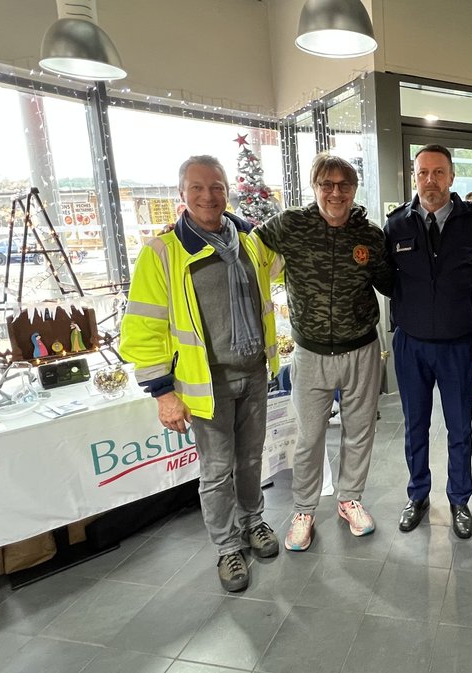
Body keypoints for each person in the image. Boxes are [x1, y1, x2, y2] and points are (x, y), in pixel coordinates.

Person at [121, 155, 283, 592]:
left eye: (216, 187)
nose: (208, 196)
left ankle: (253, 522)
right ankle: (227, 547)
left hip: (254, 373)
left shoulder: (249, 241)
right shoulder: (162, 252)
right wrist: (162, 392)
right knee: (216, 470)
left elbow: (286, 267)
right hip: (207, 383)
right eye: (197, 188)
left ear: (227, 191)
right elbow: (144, 327)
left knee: (251, 460)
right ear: (182, 194)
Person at [254, 152, 394, 552]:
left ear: (354, 189)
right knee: (310, 437)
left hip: (361, 349)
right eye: (326, 184)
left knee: (359, 431)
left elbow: (389, 282)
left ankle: (350, 500)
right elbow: (247, 246)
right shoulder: (290, 225)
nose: (336, 192)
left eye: (344, 185)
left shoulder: (370, 235)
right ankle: (304, 511)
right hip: (310, 352)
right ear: (314, 187)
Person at [385, 145, 472, 539]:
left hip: (458, 345)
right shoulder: (396, 225)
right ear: (414, 176)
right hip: (411, 345)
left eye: (438, 172)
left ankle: (459, 499)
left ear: (452, 177)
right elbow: (385, 279)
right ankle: (418, 495)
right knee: (415, 426)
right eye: (423, 173)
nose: (430, 180)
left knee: (459, 429)